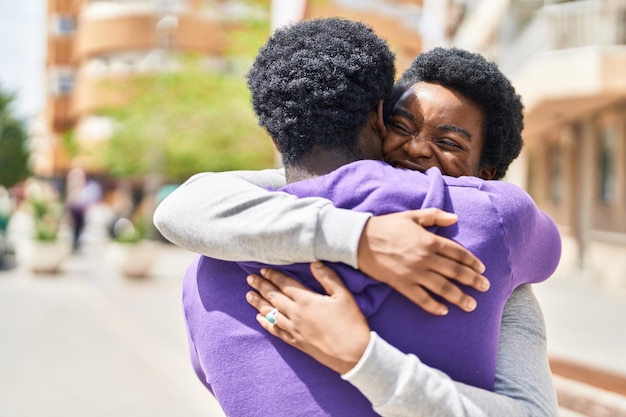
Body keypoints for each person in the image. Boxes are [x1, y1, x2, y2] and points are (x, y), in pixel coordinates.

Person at [157, 20, 560, 416]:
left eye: (448, 142)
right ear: (378, 119)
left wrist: (361, 357)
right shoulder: (494, 229)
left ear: (485, 176)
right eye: (402, 126)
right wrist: (359, 237)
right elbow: (192, 202)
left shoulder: (212, 260)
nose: (417, 148)